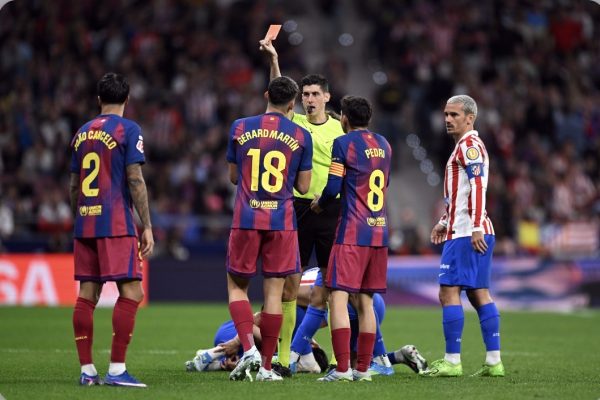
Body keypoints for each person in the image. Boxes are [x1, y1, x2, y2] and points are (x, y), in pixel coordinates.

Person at [259, 39, 345, 374]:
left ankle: (338, 360)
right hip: (298, 209)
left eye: (314, 94)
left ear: (326, 97)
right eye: (305, 94)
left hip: (331, 211)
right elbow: (278, 92)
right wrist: (274, 60)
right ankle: (283, 360)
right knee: (290, 283)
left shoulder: (340, 129)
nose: (309, 99)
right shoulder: (294, 123)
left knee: (334, 285)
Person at [225, 76, 312, 382]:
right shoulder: (301, 135)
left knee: (237, 287)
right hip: (281, 222)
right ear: (292, 104)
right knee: (274, 292)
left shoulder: (240, 127)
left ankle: (248, 349)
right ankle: (265, 367)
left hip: (247, 218)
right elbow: (304, 186)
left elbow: (234, 178)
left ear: (266, 95)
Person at [69, 72, 154, 387]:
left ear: (98, 100)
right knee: (132, 291)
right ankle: (117, 370)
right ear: (127, 99)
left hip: (86, 221)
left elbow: (74, 185)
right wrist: (147, 225)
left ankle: (87, 371)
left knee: (87, 294)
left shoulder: (81, 133)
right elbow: (135, 179)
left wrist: (80, 217)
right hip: (116, 222)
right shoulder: (128, 129)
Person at [185, 267, 427, 376]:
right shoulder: (293, 306)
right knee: (357, 364)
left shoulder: (291, 305)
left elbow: (307, 300)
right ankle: (396, 357)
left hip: (349, 304)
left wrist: (238, 341)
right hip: (366, 303)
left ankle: (292, 360)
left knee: (352, 363)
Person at [311, 95, 392, 382]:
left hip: (352, 232)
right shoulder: (385, 145)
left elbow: (333, 187)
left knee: (338, 296)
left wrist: (320, 203)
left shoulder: (343, 144)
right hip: (379, 231)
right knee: (366, 301)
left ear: (344, 118)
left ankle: (343, 369)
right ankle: (364, 370)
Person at [423, 95, 505, 378]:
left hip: (467, 233)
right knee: (479, 292)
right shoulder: (465, 146)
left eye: (454, 115)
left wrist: (476, 226)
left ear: (470, 118)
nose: (448, 119)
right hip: (468, 228)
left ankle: (452, 361)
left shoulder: (469, 146)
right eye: (446, 114)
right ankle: (494, 362)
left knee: (448, 292)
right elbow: (461, 194)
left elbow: (478, 186)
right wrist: (444, 221)